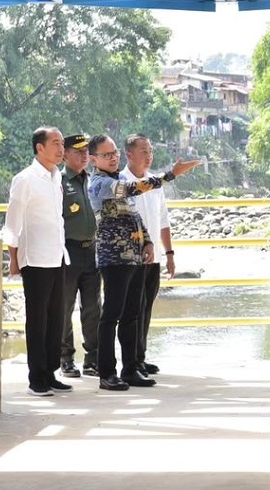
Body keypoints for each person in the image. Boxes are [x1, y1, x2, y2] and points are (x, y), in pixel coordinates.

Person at [87, 134, 199, 391]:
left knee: (132, 315)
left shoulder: (116, 178)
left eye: (114, 152)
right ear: (93, 159)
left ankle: (130, 369)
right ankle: (107, 373)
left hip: (135, 257)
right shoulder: (100, 184)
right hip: (114, 258)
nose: (113, 157)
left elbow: (133, 216)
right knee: (111, 316)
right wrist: (170, 175)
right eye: (106, 155)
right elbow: (133, 189)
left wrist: (148, 242)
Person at [2, 127, 73, 397]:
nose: (60, 148)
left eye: (62, 144)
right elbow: (13, 223)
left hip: (57, 255)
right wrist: (13, 258)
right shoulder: (25, 179)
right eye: (55, 143)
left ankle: (51, 371)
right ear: (39, 148)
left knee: (57, 317)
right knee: (38, 320)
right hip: (34, 258)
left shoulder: (56, 178)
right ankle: (36, 378)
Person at [121, 134, 174, 378]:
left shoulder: (155, 182)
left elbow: (163, 220)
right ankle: (130, 363)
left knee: (146, 308)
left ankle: (140, 358)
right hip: (132, 258)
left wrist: (169, 253)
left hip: (153, 258)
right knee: (131, 311)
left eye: (150, 150)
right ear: (129, 154)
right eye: (143, 150)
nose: (149, 154)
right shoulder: (122, 183)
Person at [59, 133, 100, 379]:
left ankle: (93, 359)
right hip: (69, 250)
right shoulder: (60, 182)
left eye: (86, 151)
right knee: (65, 307)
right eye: (78, 151)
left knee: (94, 307)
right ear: (65, 154)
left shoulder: (91, 180)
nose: (84, 155)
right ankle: (66, 359)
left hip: (92, 250)